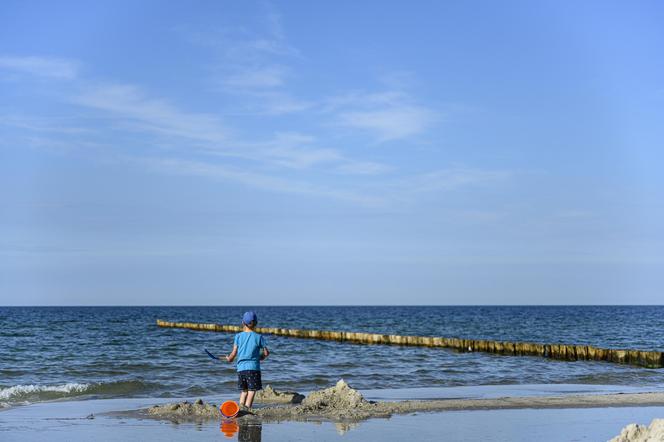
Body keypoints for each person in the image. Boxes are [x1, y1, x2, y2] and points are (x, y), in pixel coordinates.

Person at [224, 311, 269, 410]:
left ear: (243, 323)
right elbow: (266, 353)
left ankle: (240, 407)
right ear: (256, 323)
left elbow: (233, 354)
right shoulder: (259, 337)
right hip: (253, 368)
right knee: (252, 390)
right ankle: (247, 408)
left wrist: (229, 358)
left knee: (244, 391)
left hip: (241, 369)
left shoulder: (238, 336)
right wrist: (260, 357)